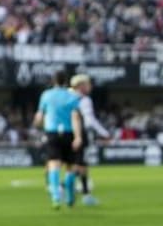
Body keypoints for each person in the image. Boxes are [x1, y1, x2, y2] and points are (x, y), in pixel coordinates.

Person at [33, 71, 84, 210]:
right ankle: (70, 197)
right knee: (70, 167)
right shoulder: (72, 96)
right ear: (65, 81)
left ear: (53, 81)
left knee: (53, 164)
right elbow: (75, 117)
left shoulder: (46, 95)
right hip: (68, 133)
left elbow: (39, 116)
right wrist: (78, 137)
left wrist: (37, 124)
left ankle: (55, 196)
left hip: (52, 133)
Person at [69, 74, 108, 207]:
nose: (90, 87)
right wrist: (104, 133)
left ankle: (81, 191)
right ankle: (70, 188)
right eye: (88, 84)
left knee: (76, 163)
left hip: (65, 132)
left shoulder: (67, 97)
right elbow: (89, 120)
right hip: (80, 133)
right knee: (81, 164)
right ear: (81, 86)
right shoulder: (84, 100)